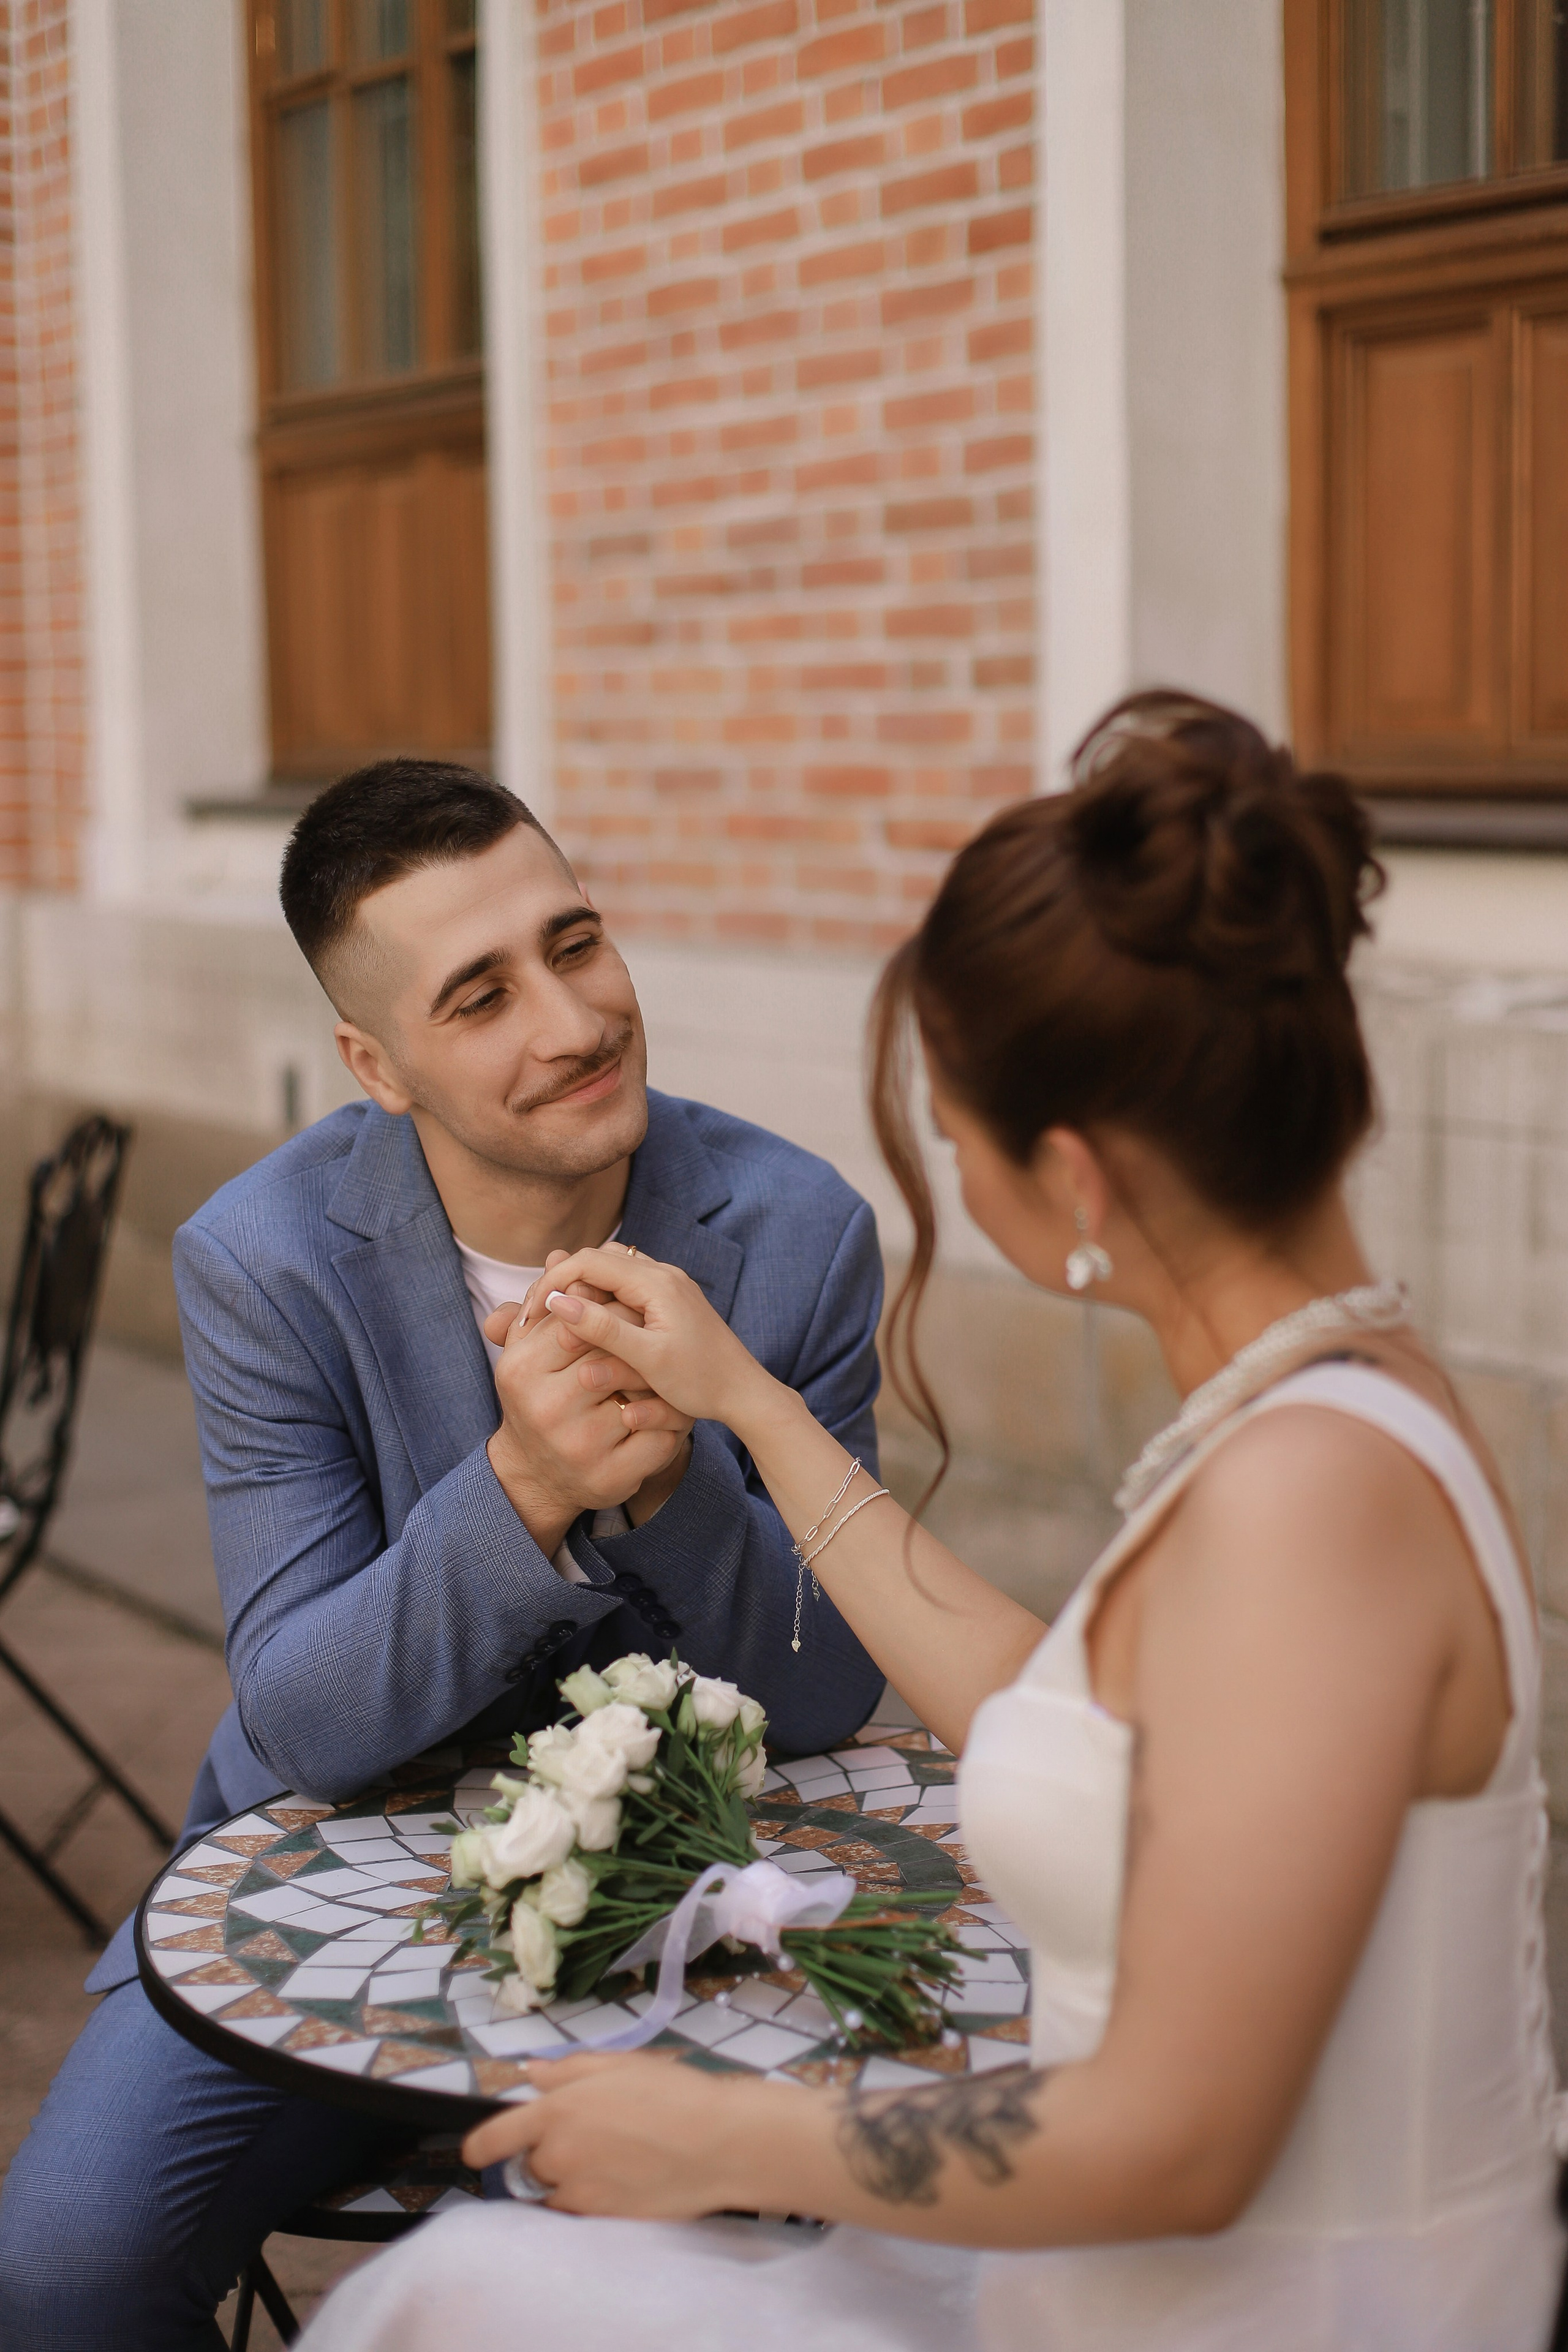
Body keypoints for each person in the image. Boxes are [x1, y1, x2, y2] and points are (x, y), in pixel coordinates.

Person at [299, 696, 1564, 2352]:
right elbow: (1069, 1706)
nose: (947, 1179)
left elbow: (1187, 2139)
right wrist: (749, 1404)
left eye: (952, 1138)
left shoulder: (1306, 1502)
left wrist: (720, 2140)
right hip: (1162, 2278)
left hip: (1273, 2315)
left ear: (1075, 1179)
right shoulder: (1333, 1397)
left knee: (450, 2296)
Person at [0, 760, 884, 2352]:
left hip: (698, 1903)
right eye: (481, 997)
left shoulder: (797, 1228)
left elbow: (828, 1692)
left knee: (581, 2297)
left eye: (577, 943)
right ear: (377, 1063)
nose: (575, 1021)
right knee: (59, 2271)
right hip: (330, 1873)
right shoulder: (263, 1259)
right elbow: (304, 1716)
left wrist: (671, 1487)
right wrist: (522, 1489)